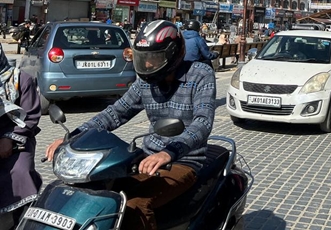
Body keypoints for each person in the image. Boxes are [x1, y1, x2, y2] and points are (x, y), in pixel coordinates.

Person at [45, 20, 217, 230]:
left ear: (172, 55)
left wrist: (169, 152)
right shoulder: (146, 82)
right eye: (142, 58)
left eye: (153, 58)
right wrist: (71, 137)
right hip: (145, 158)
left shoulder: (200, 74)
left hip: (183, 160)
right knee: (100, 193)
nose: (147, 65)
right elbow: (115, 113)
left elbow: (203, 121)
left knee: (135, 204)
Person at [0, 43, 42, 228]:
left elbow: (31, 115)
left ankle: (23, 221)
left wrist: (8, 138)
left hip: (18, 140)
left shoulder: (20, 79)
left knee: (19, 172)